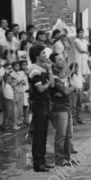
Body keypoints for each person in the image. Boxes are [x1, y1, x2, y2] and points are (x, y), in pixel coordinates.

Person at [28, 44, 55, 172]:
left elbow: (52, 83)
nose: (46, 55)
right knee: (38, 134)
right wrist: (49, 82)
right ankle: (38, 163)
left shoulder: (42, 68)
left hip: (45, 102)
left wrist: (49, 69)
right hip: (38, 103)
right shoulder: (34, 70)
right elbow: (41, 88)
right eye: (43, 53)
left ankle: (43, 160)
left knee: (44, 133)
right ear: (36, 56)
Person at [49, 52, 76, 167]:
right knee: (61, 135)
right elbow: (66, 91)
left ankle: (67, 157)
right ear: (53, 63)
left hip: (67, 106)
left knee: (68, 135)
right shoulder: (52, 76)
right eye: (59, 60)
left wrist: (68, 89)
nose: (62, 61)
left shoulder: (63, 73)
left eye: (62, 59)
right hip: (59, 108)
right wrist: (72, 88)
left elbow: (66, 88)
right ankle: (59, 159)